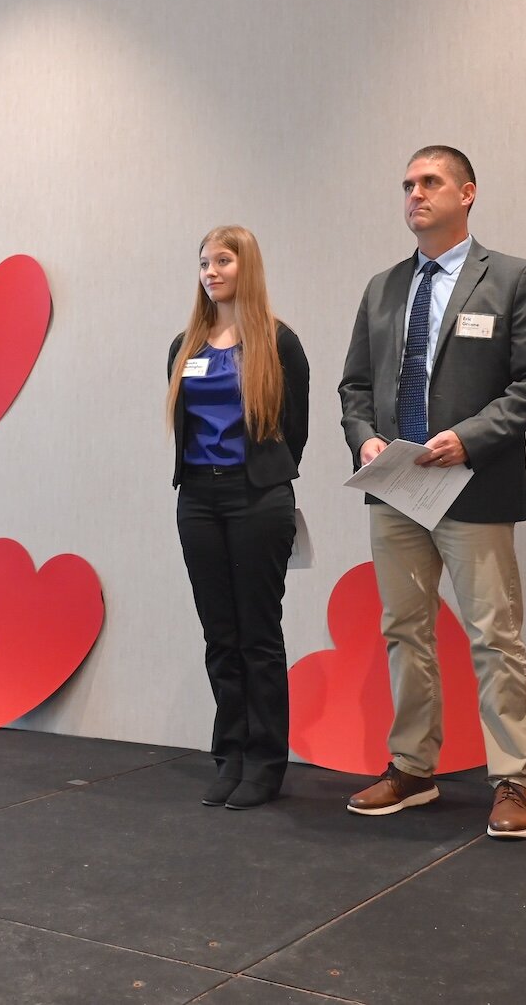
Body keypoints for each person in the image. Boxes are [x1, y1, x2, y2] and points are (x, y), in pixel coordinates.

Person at [338, 146, 526, 838]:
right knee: (404, 631)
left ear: (467, 193)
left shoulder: (516, 278)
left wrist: (471, 437)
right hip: (395, 487)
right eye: (406, 184)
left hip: (474, 483)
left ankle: (516, 781)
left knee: (494, 634)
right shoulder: (382, 287)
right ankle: (412, 768)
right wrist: (365, 437)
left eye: (429, 182)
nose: (414, 194)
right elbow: (353, 388)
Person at [167, 226, 309, 811]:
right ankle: (229, 754)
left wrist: (270, 479)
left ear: (246, 266)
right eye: (203, 262)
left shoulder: (278, 342)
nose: (211, 271)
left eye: (222, 260)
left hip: (257, 500)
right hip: (197, 500)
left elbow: (295, 429)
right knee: (219, 635)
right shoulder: (186, 343)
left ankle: (266, 760)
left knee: (257, 634)